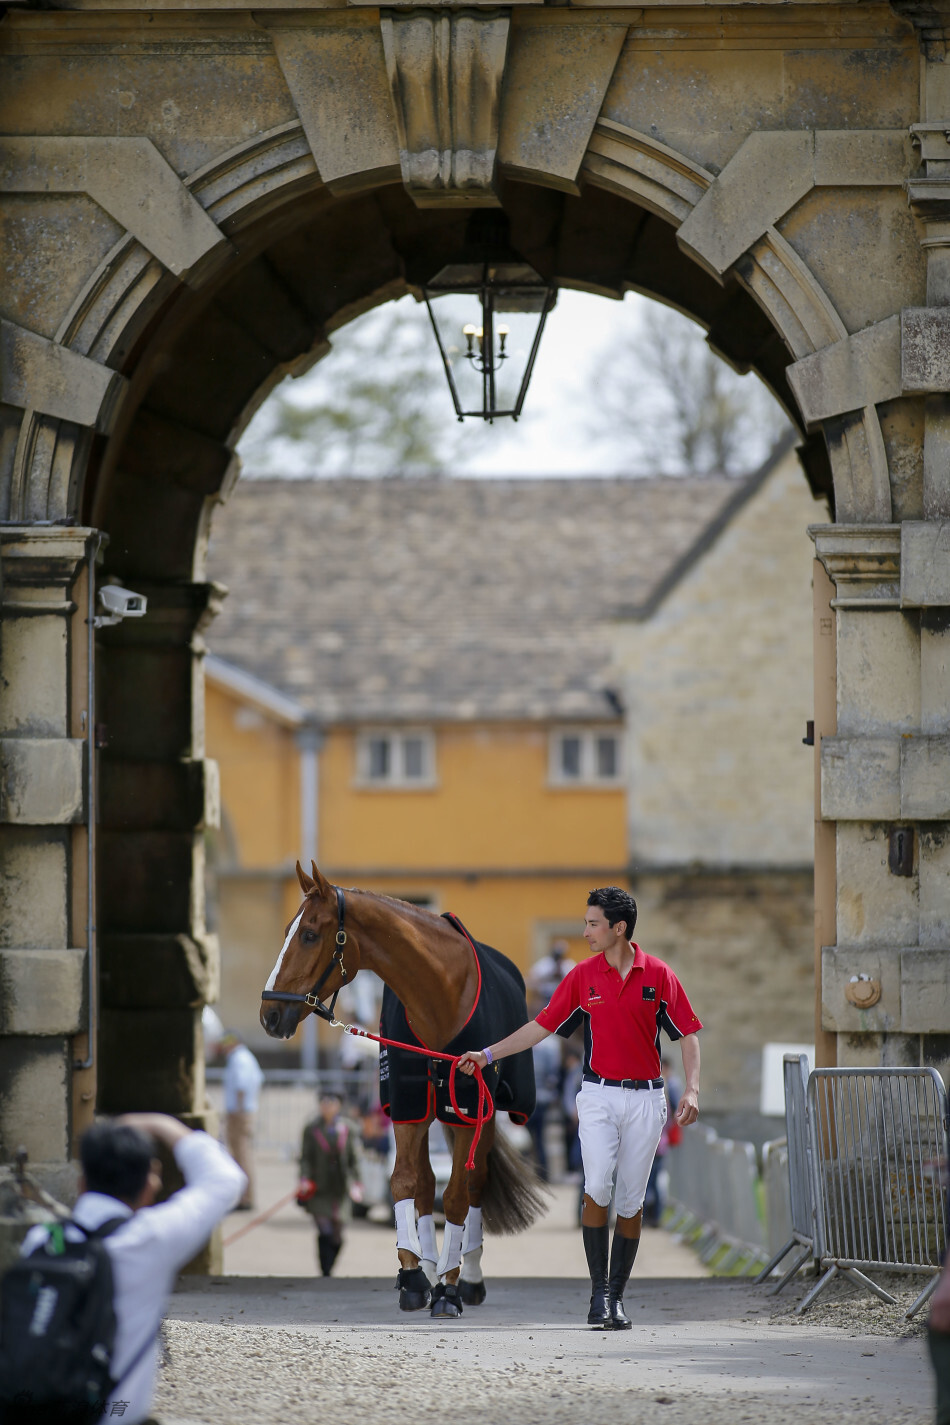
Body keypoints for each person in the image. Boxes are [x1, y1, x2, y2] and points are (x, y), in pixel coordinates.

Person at [459, 886, 701, 1330]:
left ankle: (618, 1298)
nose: (585, 931)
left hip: (647, 1099)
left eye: (593, 924)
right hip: (597, 1096)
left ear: (618, 928)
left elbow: (687, 1034)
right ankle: (599, 1296)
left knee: (631, 1200)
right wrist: (488, 1055)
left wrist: (692, 1090)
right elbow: (540, 1026)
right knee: (597, 1187)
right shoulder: (583, 976)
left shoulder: (659, 975)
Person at [19, 1113, 245, 1424]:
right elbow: (225, 1179)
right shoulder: (149, 1240)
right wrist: (157, 1123)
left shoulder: (43, 1239)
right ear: (149, 1185)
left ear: (82, 1183)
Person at [297, 1090, 363, 1276]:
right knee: (324, 1229)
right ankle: (325, 1270)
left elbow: (354, 1159)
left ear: (339, 1105)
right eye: (323, 1102)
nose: (327, 1106)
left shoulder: (349, 1128)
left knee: (337, 1235)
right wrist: (304, 1178)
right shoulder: (311, 1129)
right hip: (319, 1186)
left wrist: (357, 1182)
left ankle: (330, 1264)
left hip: (341, 1188)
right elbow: (305, 1158)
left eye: (331, 1102)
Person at [220, 1030, 263, 1210]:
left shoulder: (240, 1059)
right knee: (240, 1154)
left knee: (241, 1156)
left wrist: (235, 1112)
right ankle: (245, 1196)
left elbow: (241, 1087)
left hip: (240, 1113)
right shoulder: (244, 1057)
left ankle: (245, 1198)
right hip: (242, 1111)